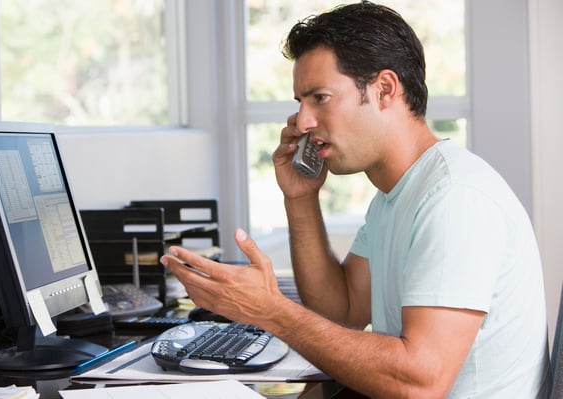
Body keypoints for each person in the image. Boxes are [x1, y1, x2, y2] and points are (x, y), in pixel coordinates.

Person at [160, 2, 551, 397]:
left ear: (384, 90)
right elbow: (341, 311)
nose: (304, 121)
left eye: (320, 98)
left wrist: (272, 310)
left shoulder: (454, 199)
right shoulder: (394, 198)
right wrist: (300, 199)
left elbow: (420, 383)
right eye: (300, 102)